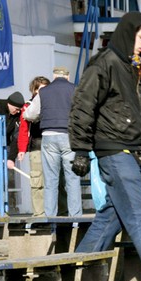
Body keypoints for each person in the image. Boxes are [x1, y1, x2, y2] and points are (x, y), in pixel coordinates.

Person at [68, 11, 141, 281]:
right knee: (140, 216)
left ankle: (73, 275)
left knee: (110, 219)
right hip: (115, 152)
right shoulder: (103, 64)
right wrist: (80, 150)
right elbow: (82, 106)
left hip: (131, 150)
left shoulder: (132, 68)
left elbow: (138, 112)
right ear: (128, 34)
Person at [24, 66, 81, 217]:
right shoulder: (75, 89)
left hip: (48, 136)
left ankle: (50, 217)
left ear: (54, 76)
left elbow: (29, 114)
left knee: (50, 180)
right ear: (67, 77)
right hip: (69, 136)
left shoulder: (43, 92)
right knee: (72, 179)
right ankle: (75, 217)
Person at [17, 76, 51, 216]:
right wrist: (21, 149)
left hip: (52, 145)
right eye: (40, 89)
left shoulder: (53, 102)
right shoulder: (28, 106)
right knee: (37, 181)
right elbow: (23, 130)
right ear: (34, 90)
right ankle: (39, 213)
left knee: (56, 180)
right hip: (36, 145)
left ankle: (61, 211)